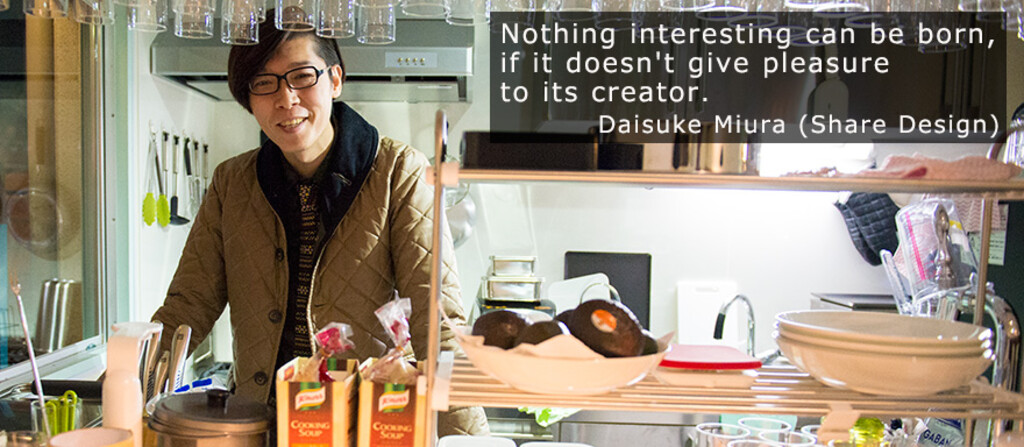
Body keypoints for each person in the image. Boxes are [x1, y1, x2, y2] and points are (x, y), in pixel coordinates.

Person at [150, 11, 488, 436]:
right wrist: (127, 385)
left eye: (302, 76)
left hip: (364, 428)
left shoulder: (398, 172)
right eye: (264, 83)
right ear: (248, 98)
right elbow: (187, 306)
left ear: (335, 80)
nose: (286, 98)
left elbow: (436, 322)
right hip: (262, 427)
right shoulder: (232, 183)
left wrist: (470, 440)